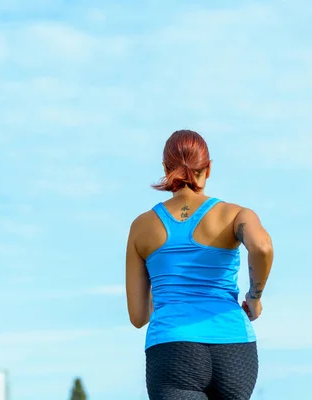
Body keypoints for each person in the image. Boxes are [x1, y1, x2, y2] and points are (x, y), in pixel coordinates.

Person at [126, 130, 274, 400]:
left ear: (165, 168)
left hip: (173, 350)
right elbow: (262, 247)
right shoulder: (235, 214)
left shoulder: (141, 227)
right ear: (208, 168)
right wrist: (255, 298)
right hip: (234, 348)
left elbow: (138, 317)